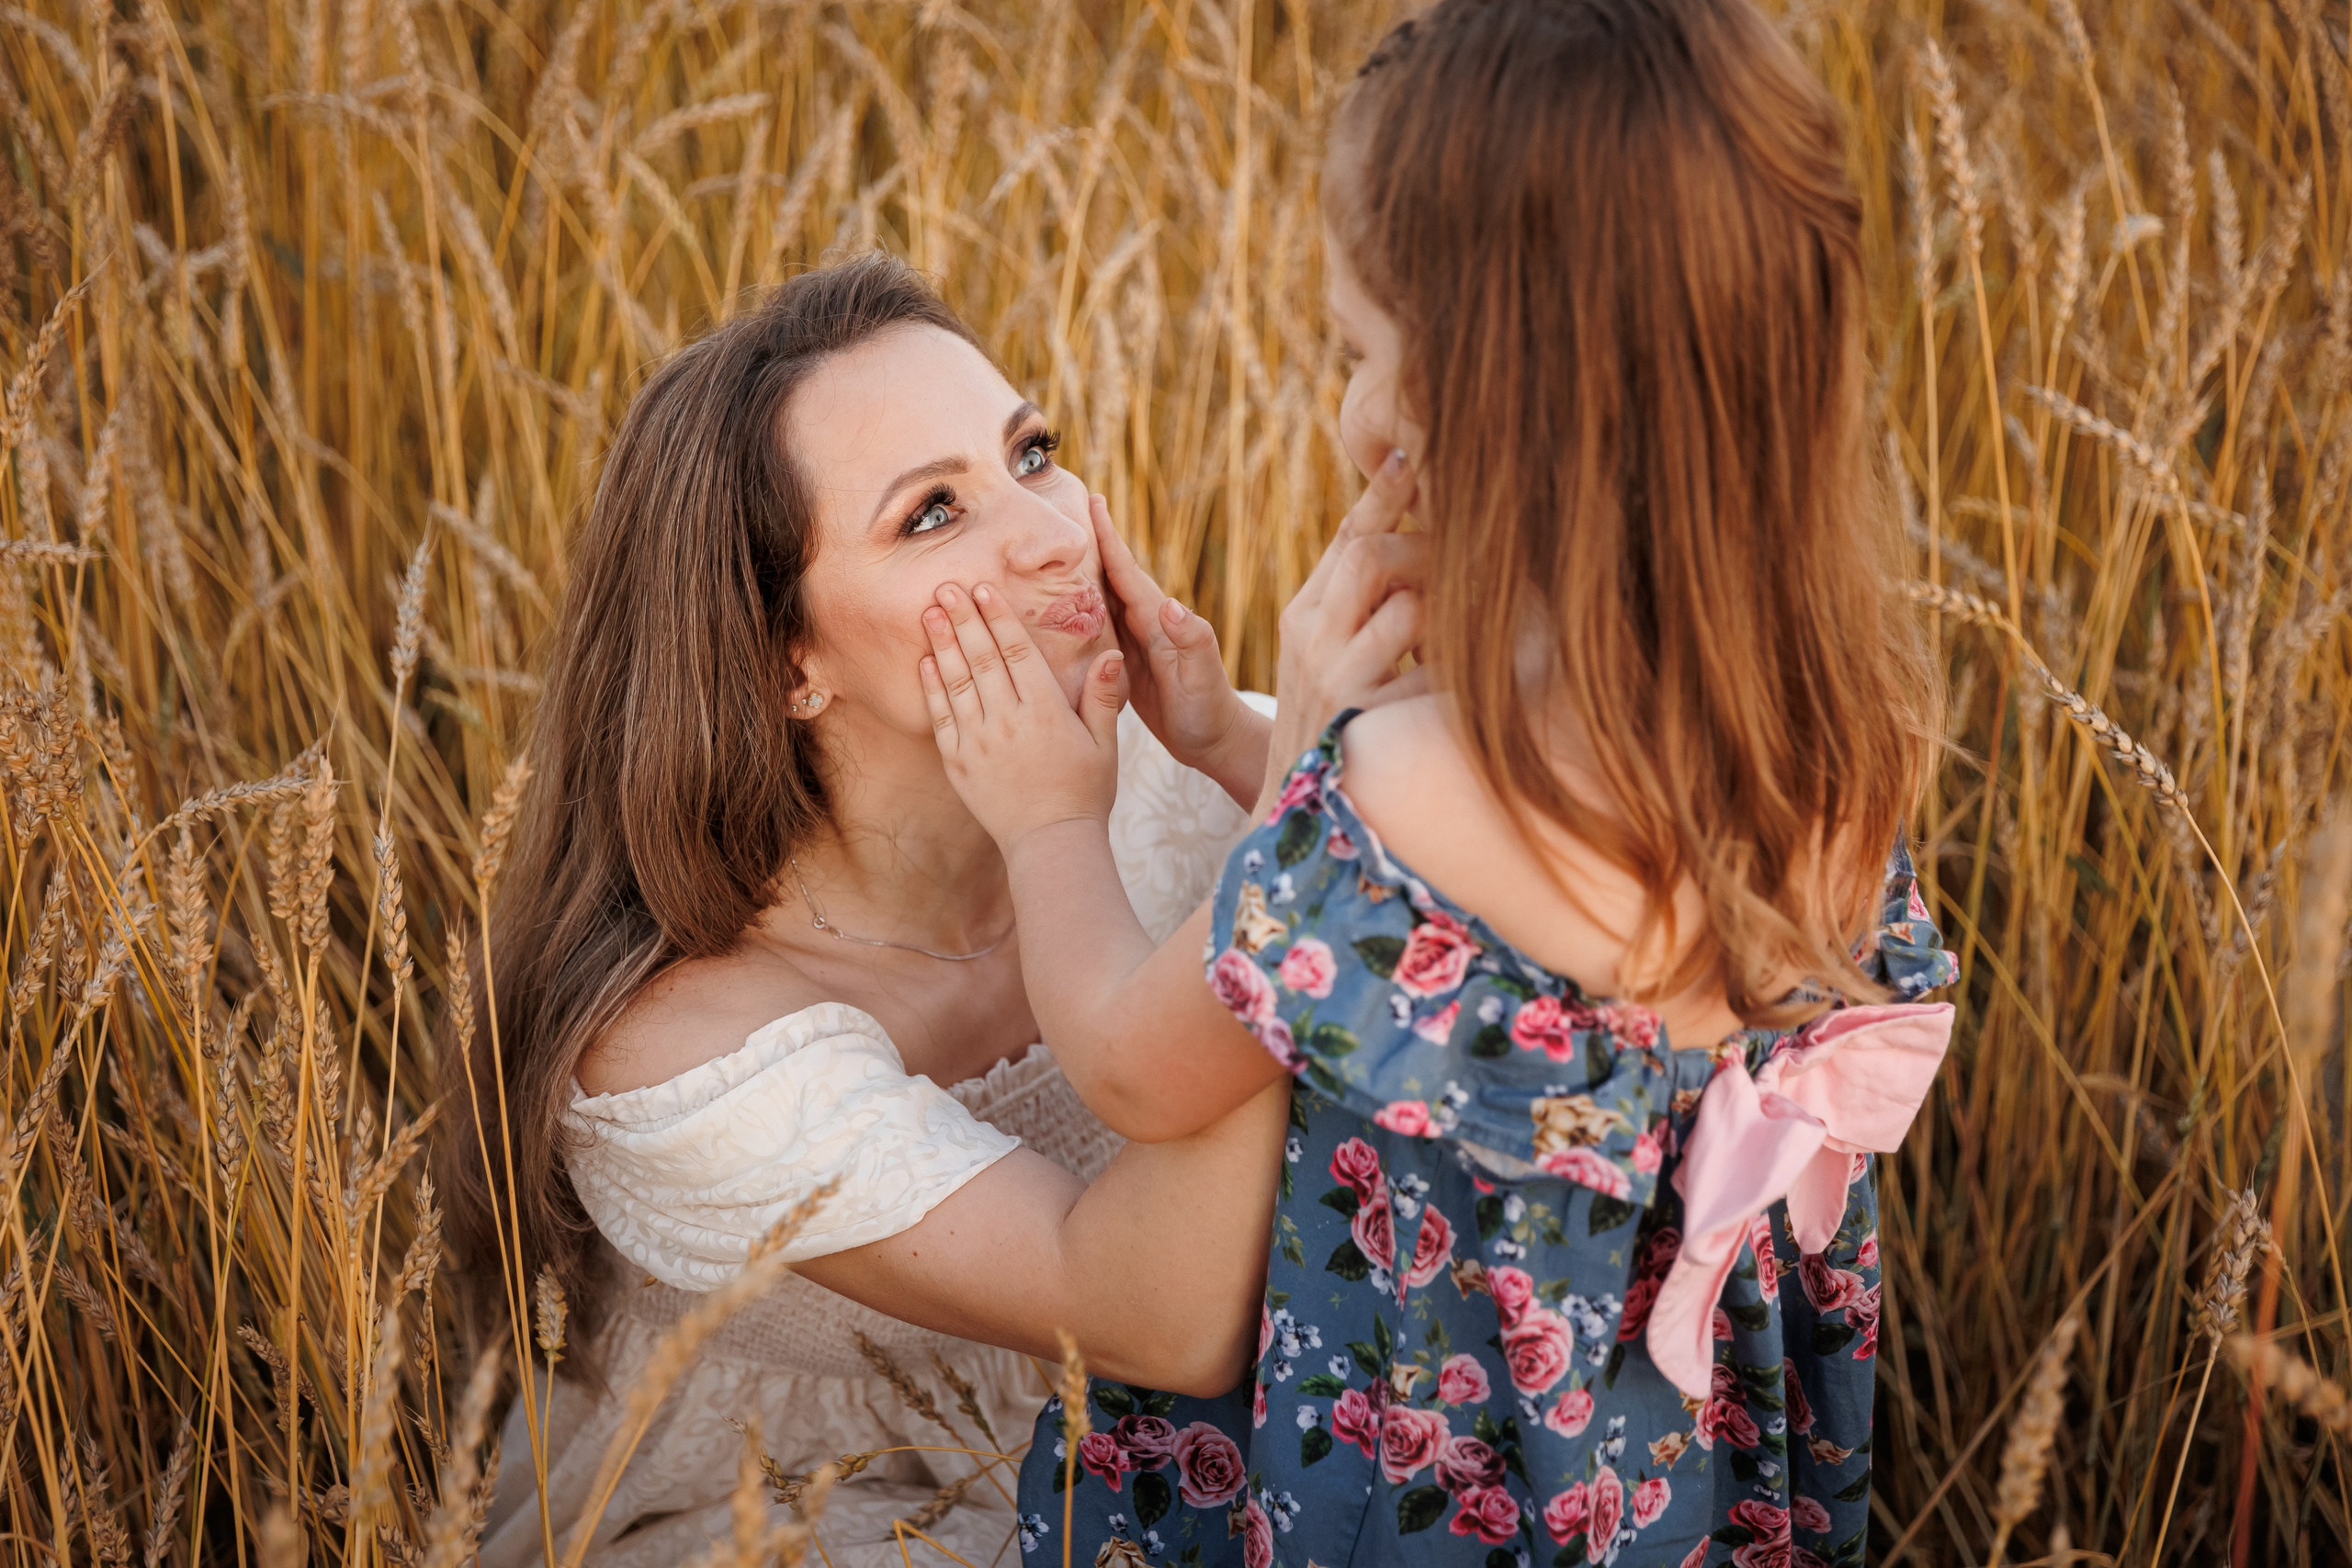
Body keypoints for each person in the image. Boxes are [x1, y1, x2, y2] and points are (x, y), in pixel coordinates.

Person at [910, 3, 1962, 1563]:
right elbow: (1482, 946)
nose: (1349, 406)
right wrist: (1236, 743)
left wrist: (1049, 815)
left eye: (1359, 349)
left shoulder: (1416, 774)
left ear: (1486, 385)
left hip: (1438, 1474)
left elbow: (1139, 1067)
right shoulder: (1820, 732)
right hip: (1662, 1470)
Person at [452, 254, 1415, 1568]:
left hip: (1163, 1440)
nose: (1051, 533)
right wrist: (1289, 807)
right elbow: (1160, 1313)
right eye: (931, 515)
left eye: (1032, 453)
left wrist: (1249, 755)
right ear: (787, 659)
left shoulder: (1145, 773)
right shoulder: (682, 1044)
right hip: (823, 1508)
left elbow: (1441, 871)